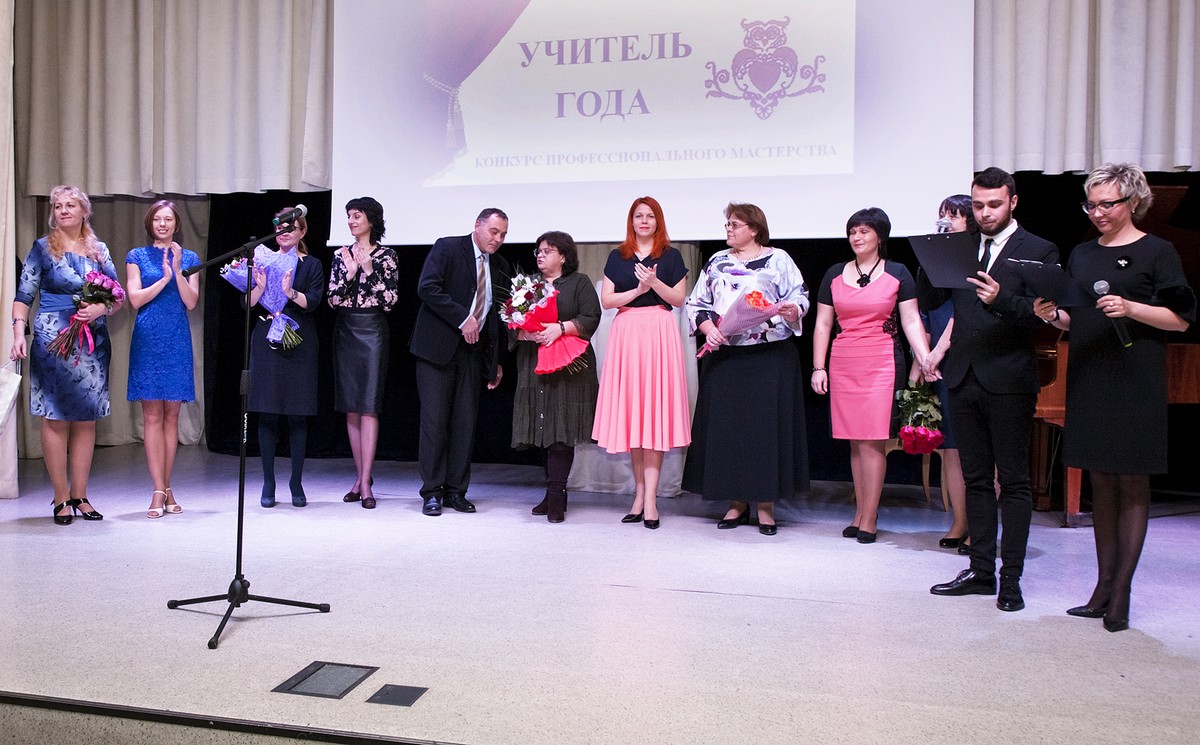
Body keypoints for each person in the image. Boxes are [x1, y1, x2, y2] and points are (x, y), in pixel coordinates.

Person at [1036, 163, 1194, 632]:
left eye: (1108, 204)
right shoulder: (1083, 254)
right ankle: (1102, 586)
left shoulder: (1158, 251)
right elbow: (1078, 316)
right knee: (1100, 479)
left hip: (1134, 375)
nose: (1098, 212)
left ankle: (1122, 590)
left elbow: (1180, 320)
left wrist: (1131, 308)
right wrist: (1052, 315)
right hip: (1090, 373)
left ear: (1134, 201)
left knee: (1131, 479)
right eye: (1091, 205)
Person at [926, 167, 1059, 612]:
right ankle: (981, 571)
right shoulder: (962, 246)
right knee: (976, 479)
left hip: (1008, 378)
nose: (985, 213)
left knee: (1014, 482)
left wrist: (1001, 299)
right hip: (963, 375)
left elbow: (1042, 315)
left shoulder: (1038, 249)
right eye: (979, 205)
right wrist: (935, 256)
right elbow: (938, 302)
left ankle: (1011, 579)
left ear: (1013, 202)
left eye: (994, 205)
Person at [811, 207, 936, 544]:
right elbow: (823, 323)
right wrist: (819, 367)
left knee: (872, 440)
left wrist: (925, 358)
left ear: (880, 236)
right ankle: (860, 512)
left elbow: (911, 320)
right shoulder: (834, 274)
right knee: (855, 442)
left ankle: (870, 516)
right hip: (844, 360)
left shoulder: (897, 272)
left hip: (881, 361)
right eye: (853, 231)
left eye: (864, 231)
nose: (857, 237)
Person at [683, 202, 810, 535]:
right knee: (730, 432)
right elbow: (697, 303)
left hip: (769, 357)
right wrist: (708, 328)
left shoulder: (779, 259)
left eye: (735, 224)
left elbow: (800, 296)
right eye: (727, 224)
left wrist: (793, 310)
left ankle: (766, 506)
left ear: (754, 229)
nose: (728, 229)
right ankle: (736, 503)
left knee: (764, 432)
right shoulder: (717, 262)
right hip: (726, 358)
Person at [9, 185, 124, 524]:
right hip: (52, 338)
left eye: (70, 205)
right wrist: (18, 333)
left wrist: (100, 309)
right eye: (58, 206)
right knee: (55, 416)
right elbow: (24, 295)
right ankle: (60, 496)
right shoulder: (42, 248)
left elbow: (117, 297)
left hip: (91, 341)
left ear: (84, 211)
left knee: (86, 418)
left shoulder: (99, 250)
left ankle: (80, 495)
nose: (63, 210)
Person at [592, 196, 691, 530]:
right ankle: (638, 496)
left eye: (650, 216)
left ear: (658, 221)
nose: (644, 221)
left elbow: (679, 299)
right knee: (634, 416)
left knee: (654, 415)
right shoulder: (617, 256)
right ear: (631, 221)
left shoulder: (671, 256)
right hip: (627, 331)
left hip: (659, 330)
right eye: (638, 216)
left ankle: (651, 500)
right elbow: (607, 300)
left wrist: (653, 283)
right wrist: (637, 290)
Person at [410, 208, 511, 516]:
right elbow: (427, 287)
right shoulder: (449, 247)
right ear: (478, 226)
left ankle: (456, 491)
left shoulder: (500, 265)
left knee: (464, 425)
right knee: (435, 422)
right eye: (494, 231)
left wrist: (496, 361)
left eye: (503, 235)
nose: (498, 239)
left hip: (473, 353)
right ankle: (432, 492)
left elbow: (496, 318)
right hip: (437, 349)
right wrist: (461, 317)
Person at [511, 231, 601, 523]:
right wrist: (525, 333)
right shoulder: (528, 285)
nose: (540, 255)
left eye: (547, 250)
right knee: (542, 429)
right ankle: (552, 492)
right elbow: (511, 322)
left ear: (563, 256)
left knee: (562, 429)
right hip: (534, 362)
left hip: (569, 366)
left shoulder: (579, 282)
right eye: (538, 250)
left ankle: (556, 494)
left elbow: (591, 316)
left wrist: (560, 328)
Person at [126, 200, 201, 518]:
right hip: (148, 338)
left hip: (176, 338)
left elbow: (191, 301)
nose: (162, 224)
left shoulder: (190, 257)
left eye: (168, 219)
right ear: (150, 223)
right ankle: (160, 490)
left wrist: (178, 271)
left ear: (176, 224)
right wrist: (163, 278)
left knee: (172, 417)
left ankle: (165, 487)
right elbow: (134, 299)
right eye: (157, 219)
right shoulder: (137, 256)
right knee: (152, 417)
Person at [247, 207, 324, 508]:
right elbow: (247, 303)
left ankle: (296, 482)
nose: (285, 231)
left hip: (299, 339)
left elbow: (313, 302)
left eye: (292, 227)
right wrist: (260, 287)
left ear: (302, 231)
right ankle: (268, 482)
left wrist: (290, 292)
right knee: (267, 412)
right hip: (266, 336)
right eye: (281, 226)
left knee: (297, 413)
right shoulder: (263, 260)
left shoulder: (311, 264)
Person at [328, 197, 398, 510]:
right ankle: (359, 477)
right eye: (349, 216)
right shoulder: (340, 255)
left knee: (369, 406)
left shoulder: (387, 255)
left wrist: (368, 270)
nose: (351, 221)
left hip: (372, 331)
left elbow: (390, 300)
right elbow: (332, 300)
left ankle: (366, 481)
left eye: (357, 215)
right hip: (346, 329)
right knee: (351, 408)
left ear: (371, 219)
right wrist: (350, 272)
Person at [922, 195, 976, 549]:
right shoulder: (932, 260)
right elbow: (923, 311)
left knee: (980, 448)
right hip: (939, 361)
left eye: (954, 216)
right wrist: (924, 357)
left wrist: (939, 350)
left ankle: (980, 525)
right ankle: (959, 522)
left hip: (968, 353)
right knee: (952, 447)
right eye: (942, 215)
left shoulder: (978, 257)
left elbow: (965, 310)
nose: (946, 222)